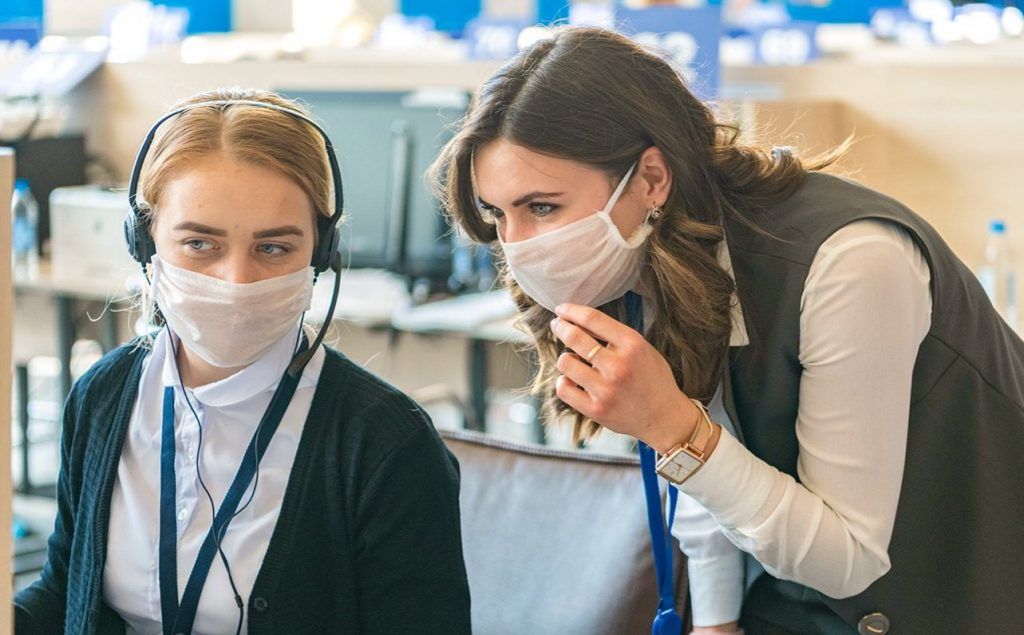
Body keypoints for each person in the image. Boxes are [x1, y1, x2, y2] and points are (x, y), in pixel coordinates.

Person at [430, 27, 1024, 634]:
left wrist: (670, 424)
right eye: (498, 215)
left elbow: (847, 562)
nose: (519, 248)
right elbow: (710, 481)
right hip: (794, 599)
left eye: (544, 207)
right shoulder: (640, 255)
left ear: (652, 180)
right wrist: (716, 622)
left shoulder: (849, 262)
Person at [15, 88, 472, 634]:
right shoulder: (102, 396)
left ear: (321, 254)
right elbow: (66, 586)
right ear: (145, 241)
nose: (236, 281)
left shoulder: (386, 444)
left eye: (273, 248)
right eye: (200, 244)